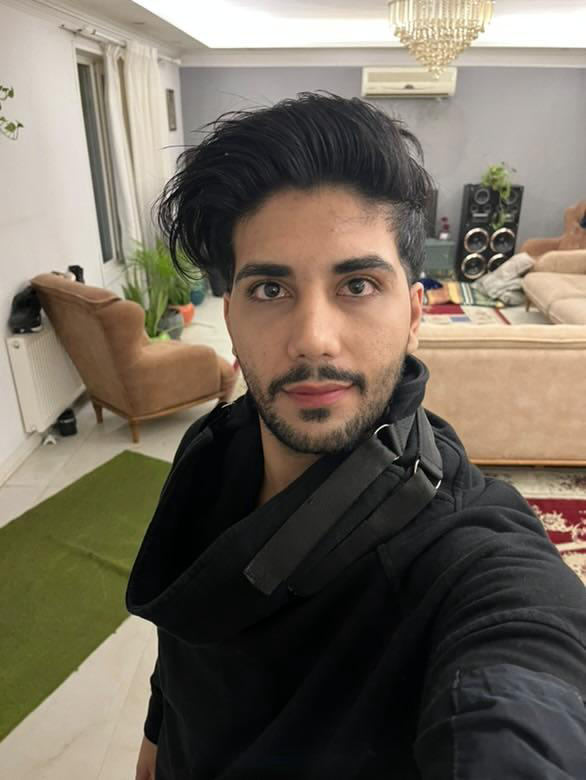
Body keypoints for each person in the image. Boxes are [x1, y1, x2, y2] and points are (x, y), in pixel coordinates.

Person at [127, 93, 586, 780]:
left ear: (415, 314)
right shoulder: (216, 449)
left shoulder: (466, 557)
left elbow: (525, 670)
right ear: (231, 317)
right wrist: (156, 744)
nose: (314, 338)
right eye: (270, 290)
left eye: (359, 285)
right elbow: (187, 642)